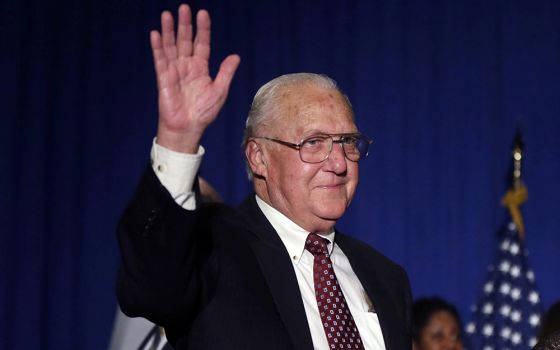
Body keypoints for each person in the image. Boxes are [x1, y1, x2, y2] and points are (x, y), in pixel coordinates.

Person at [116, 3, 412, 349]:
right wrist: (178, 140)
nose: (339, 163)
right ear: (259, 157)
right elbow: (149, 290)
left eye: (347, 142)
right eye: (314, 142)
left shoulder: (386, 278)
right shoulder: (211, 249)